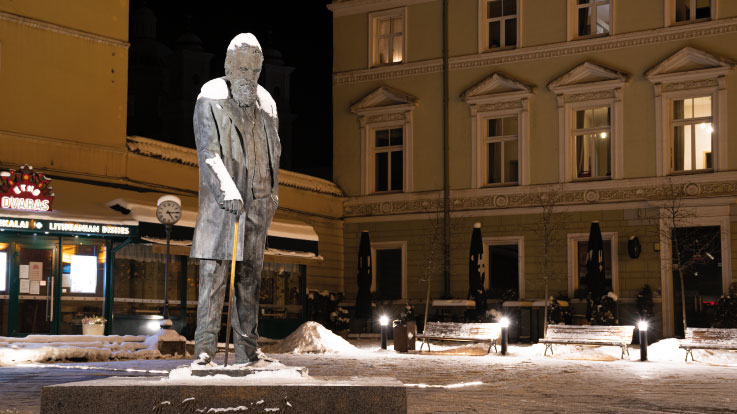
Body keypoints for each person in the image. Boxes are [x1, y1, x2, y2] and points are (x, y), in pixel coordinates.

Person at [190, 33, 280, 365]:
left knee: (250, 283)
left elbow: (274, 152)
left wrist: (272, 195)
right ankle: (204, 349)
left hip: (258, 205)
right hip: (222, 209)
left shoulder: (267, 106)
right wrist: (226, 190)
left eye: (255, 71)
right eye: (243, 69)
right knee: (213, 281)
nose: (249, 78)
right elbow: (208, 152)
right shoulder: (210, 99)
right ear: (229, 67)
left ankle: (247, 349)